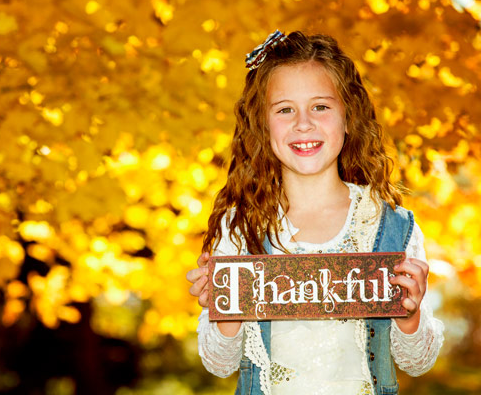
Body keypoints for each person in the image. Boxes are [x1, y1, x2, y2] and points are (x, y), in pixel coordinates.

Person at [186, 31, 444, 395]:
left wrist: (411, 313)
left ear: (348, 117)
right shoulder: (241, 228)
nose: (303, 123)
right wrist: (225, 311)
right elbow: (219, 362)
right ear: (263, 124)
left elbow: (418, 361)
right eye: (285, 109)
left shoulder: (388, 228)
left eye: (320, 106)